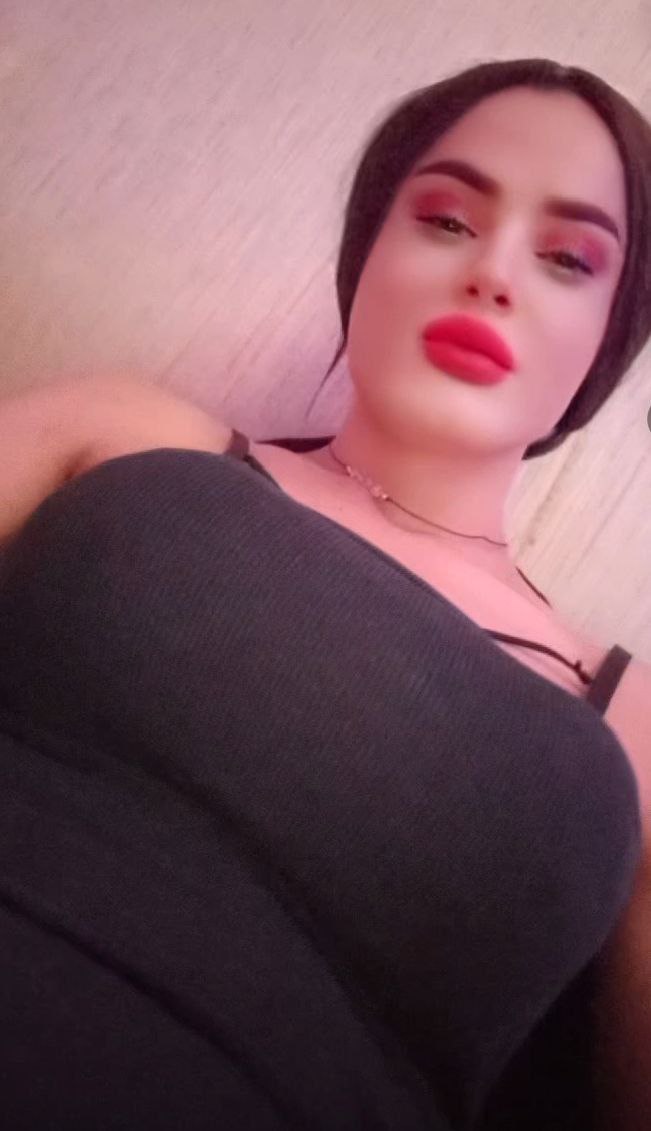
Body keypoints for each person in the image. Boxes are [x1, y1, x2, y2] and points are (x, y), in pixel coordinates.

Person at [0, 56, 649, 1130]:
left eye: (567, 259)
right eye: (446, 220)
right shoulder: (128, 434)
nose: (492, 273)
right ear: (367, 255)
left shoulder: (632, 724)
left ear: (608, 340)